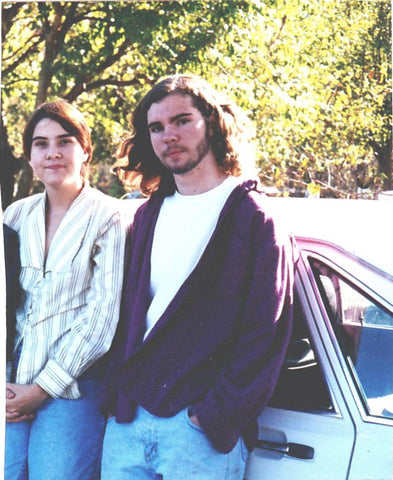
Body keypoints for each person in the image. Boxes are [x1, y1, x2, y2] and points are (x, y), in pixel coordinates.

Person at [100, 74, 296, 480]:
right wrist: (119, 400)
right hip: (129, 424)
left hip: (196, 435)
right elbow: (129, 317)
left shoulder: (253, 217)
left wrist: (209, 416)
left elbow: (266, 333)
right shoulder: (148, 214)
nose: (168, 135)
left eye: (182, 121)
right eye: (156, 127)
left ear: (211, 122)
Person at [3, 101, 128, 480]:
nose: (53, 152)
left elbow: (102, 318)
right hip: (12, 381)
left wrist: (41, 389)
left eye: (65, 141)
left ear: (85, 150)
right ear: (29, 156)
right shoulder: (14, 216)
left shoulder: (111, 217)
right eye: (41, 144)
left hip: (72, 387)